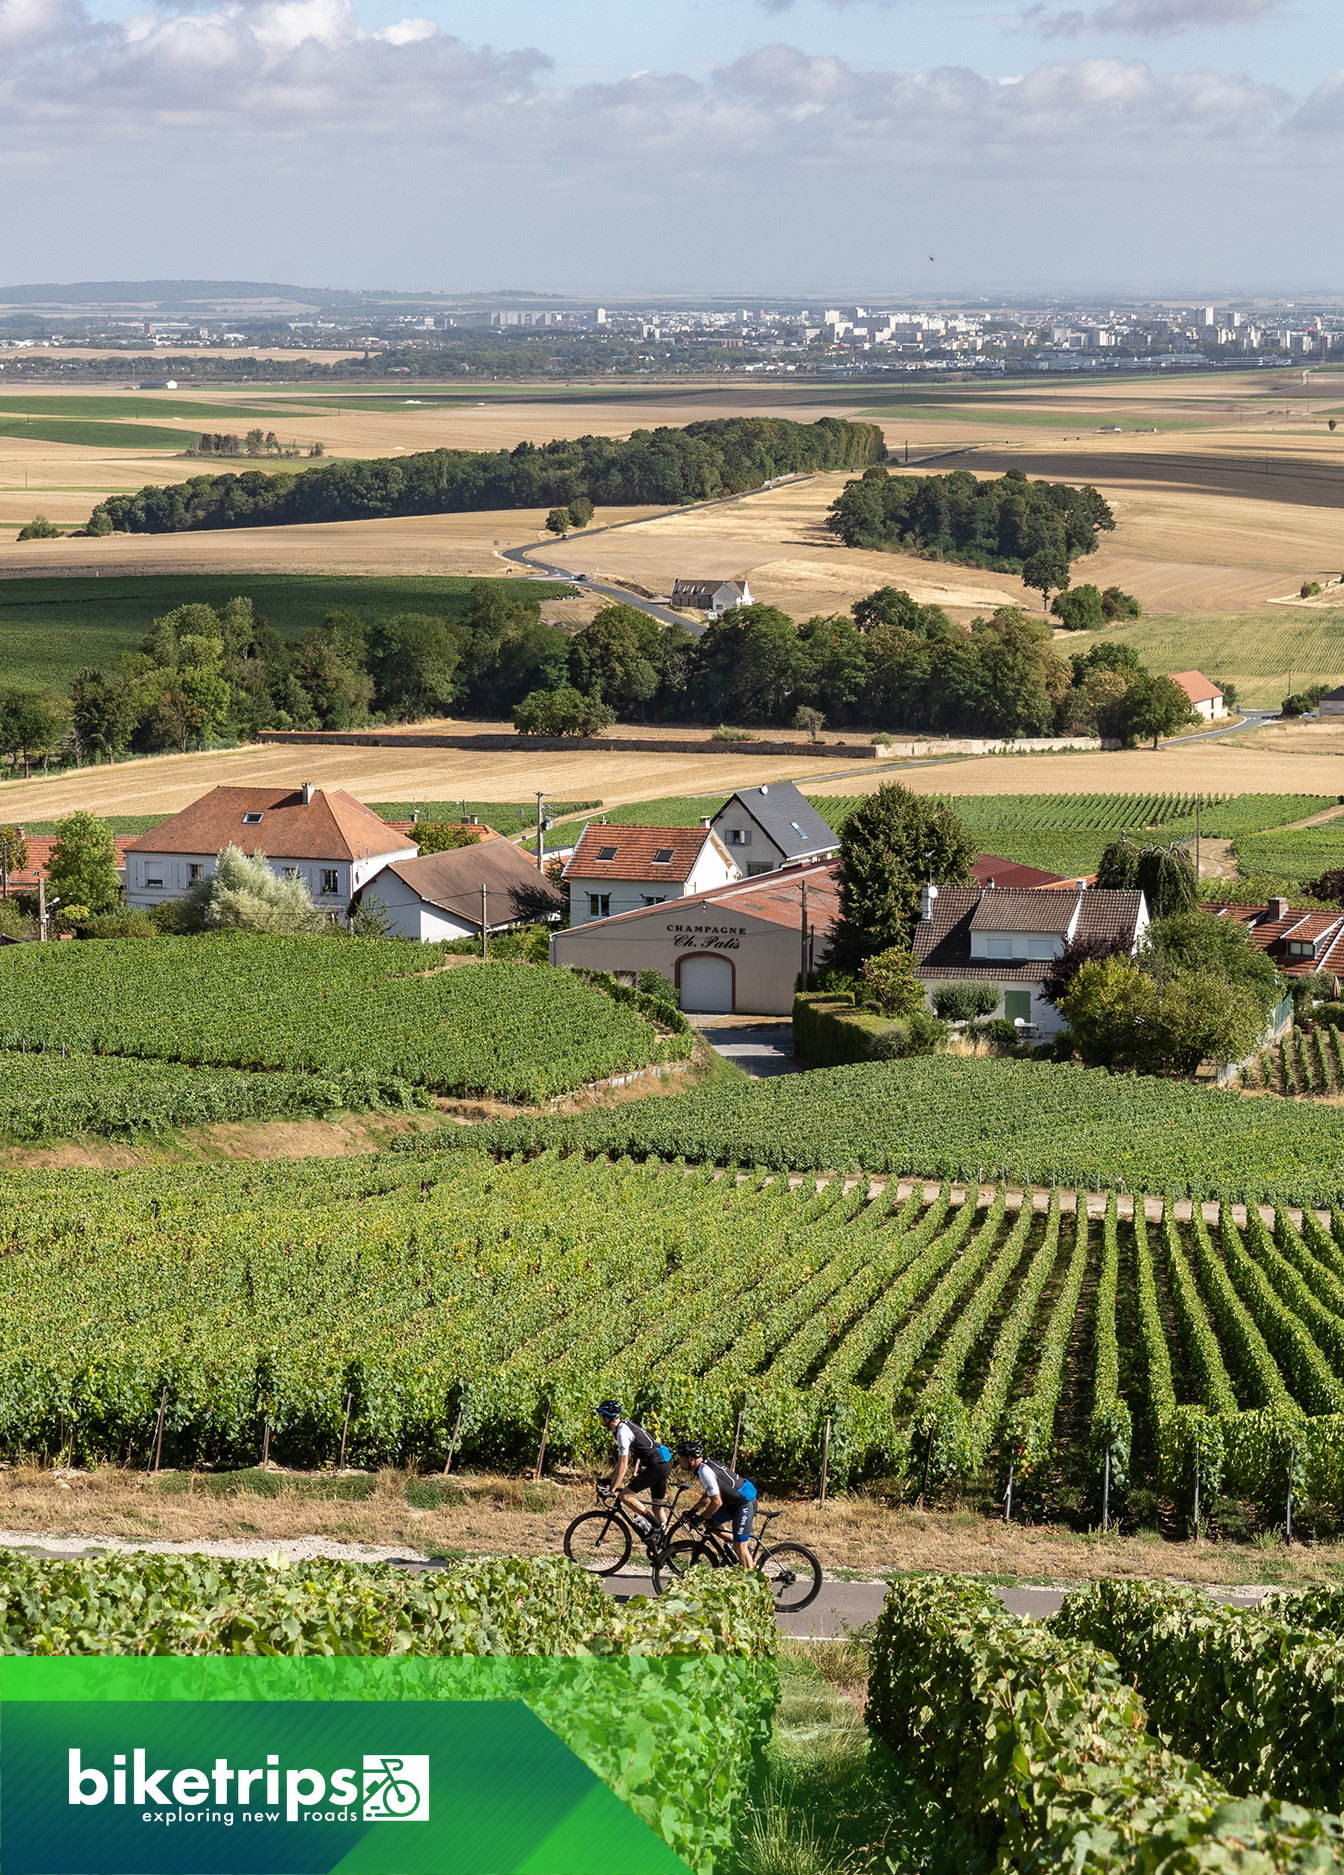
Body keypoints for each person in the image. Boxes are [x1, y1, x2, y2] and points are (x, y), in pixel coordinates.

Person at [675, 1439, 757, 1568]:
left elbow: (717, 1502)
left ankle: (752, 1583)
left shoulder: (704, 1472)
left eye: (681, 1457)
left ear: (691, 1459)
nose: (679, 1460)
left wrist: (701, 1517)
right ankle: (737, 1544)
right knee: (711, 1524)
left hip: (744, 1504)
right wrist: (693, 1511)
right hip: (734, 1502)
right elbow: (709, 1495)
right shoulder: (705, 1466)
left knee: (740, 1546)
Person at [595, 1400, 671, 1532]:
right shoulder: (625, 1426)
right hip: (663, 1462)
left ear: (606, 1418)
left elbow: (624, 1466)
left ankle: (657, 1525)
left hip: (656, 1465)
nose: (600, 1418)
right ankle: (665, 1545)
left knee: (625, 1496)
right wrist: (609, 1480)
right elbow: (621, 1463)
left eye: (600, 1415)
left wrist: (612, 1489)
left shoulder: (622, 1432)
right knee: (657, 1506)